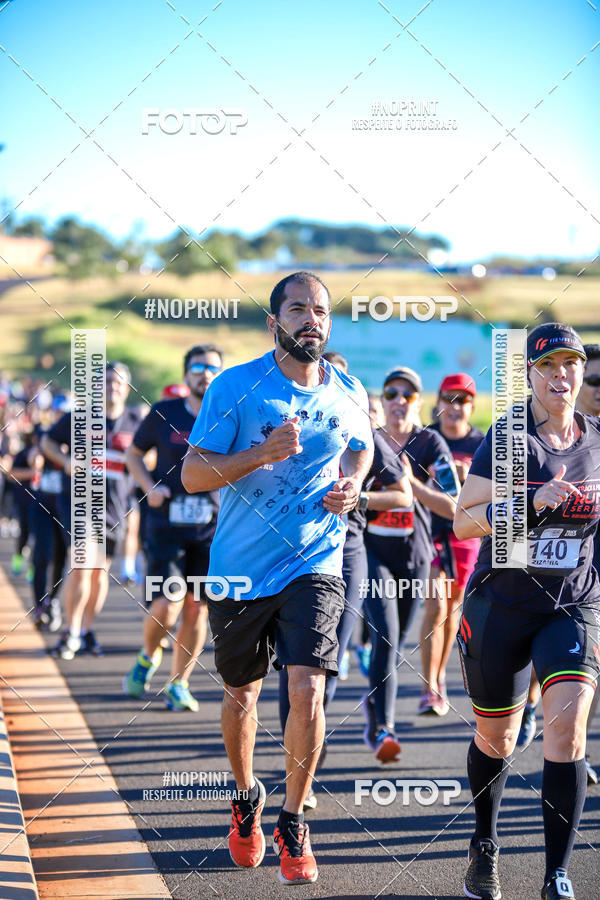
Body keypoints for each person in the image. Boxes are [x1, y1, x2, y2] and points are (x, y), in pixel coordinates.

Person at [181, 271, 373, 885]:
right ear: (274, 322)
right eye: (297, 309)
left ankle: (293, 820)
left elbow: (361, 447)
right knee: (242, 695)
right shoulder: (236, 387)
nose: (309, 318)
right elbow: (191, 475)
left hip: (316, 560)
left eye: (319, 310)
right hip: (239, 568)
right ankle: (245, 799)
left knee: (307, 690)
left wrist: (353, 483)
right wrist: (261, 454)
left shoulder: (348, 389)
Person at [454, 323, 600, 900]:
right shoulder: (509, 435)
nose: (561, 374)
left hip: (573, 604)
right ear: (531, 374)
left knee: (565, 729)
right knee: (499, 738)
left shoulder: (598, 441)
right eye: (549, 365)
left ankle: (555, 873)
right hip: (503, 604)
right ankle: (484, 844)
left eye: (571, 363)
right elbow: (464, 521)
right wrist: (528, 502)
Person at [277, 351, 412, 799]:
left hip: (345, 552)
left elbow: (401, 495)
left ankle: (309, 757)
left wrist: (358, 494)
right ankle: (298, 764)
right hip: (286, 549)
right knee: (293, 664)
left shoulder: (364, 432)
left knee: (323, 665)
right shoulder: (283, 424)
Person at [362, 366, 456, 758]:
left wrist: (411, 486)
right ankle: (384, 729)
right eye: (391, 393)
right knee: (384, 634)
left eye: (408, 395)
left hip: (415, 555)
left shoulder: (430, 443)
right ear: (382, 402)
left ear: (419, 402)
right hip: (372, 551)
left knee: (396, 643)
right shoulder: (366, 441)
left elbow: (453, 506)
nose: (399, 401)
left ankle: (374, 702)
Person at [123, 345, 222, 711]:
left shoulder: (226, 415)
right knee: (168, 603)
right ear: (186, 375)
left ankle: (178, 683)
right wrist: (149, 486)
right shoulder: (165, 413)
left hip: (209, 528)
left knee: (197, 608)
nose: (205, 374)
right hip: (165, 524)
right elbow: (134, 454)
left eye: (213, 368)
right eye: (197, 367)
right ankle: (148, 657)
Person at [42, 362, 142, 658]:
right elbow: (47, 441)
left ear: (127, 388)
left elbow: (148, 457)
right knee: (83, 567)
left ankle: (85, 630)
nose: (112, 385)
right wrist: (65, 462)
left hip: (115, 510)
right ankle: (70, 633)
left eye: (119, 381)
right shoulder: (80, 417)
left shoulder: (137, 422)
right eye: (107, 380)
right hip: (81, 504)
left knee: (99, 575)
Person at [421, 373, 484, 715]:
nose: (455, 407)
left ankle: (440, 676)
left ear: (472, 406)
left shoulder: (482, 443)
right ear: (438, 402)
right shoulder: (426, 440)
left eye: (463, 400)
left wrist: (468, 476)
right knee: (435, 607)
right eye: (449, 398)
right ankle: (429, 686)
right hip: (430, 532)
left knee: (453, 611)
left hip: (465, 535)